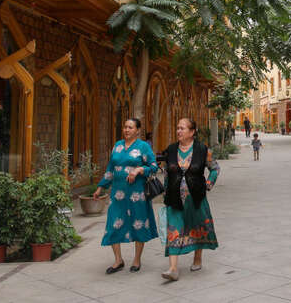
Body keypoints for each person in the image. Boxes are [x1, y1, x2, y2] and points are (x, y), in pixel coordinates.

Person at [93, 118, 159, 274]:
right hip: (118, 194)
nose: (127, 130)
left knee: (138, 224)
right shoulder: (117, 145)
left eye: (130, 127)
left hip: (137, 194)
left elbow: (154, 166)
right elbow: (110, 169)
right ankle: (118, 260)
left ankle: (137, 260)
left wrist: (139, 170)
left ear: (138, 130)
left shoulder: (143, 146)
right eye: (125, 127)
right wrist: (100, 187)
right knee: (113, 224)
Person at [160, 118, 219, 281]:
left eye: (182, 128)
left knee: (197, 227)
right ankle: (173, 268)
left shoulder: (202, 149)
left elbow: (215, 169)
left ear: (192, 132)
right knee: (174, 229)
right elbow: (167, 173)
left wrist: (208, 184)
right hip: (174, 198)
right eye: (177, 128)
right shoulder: (171, 149)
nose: (178, 131)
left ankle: (197, 258)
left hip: (196, 197)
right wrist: (165, 191)